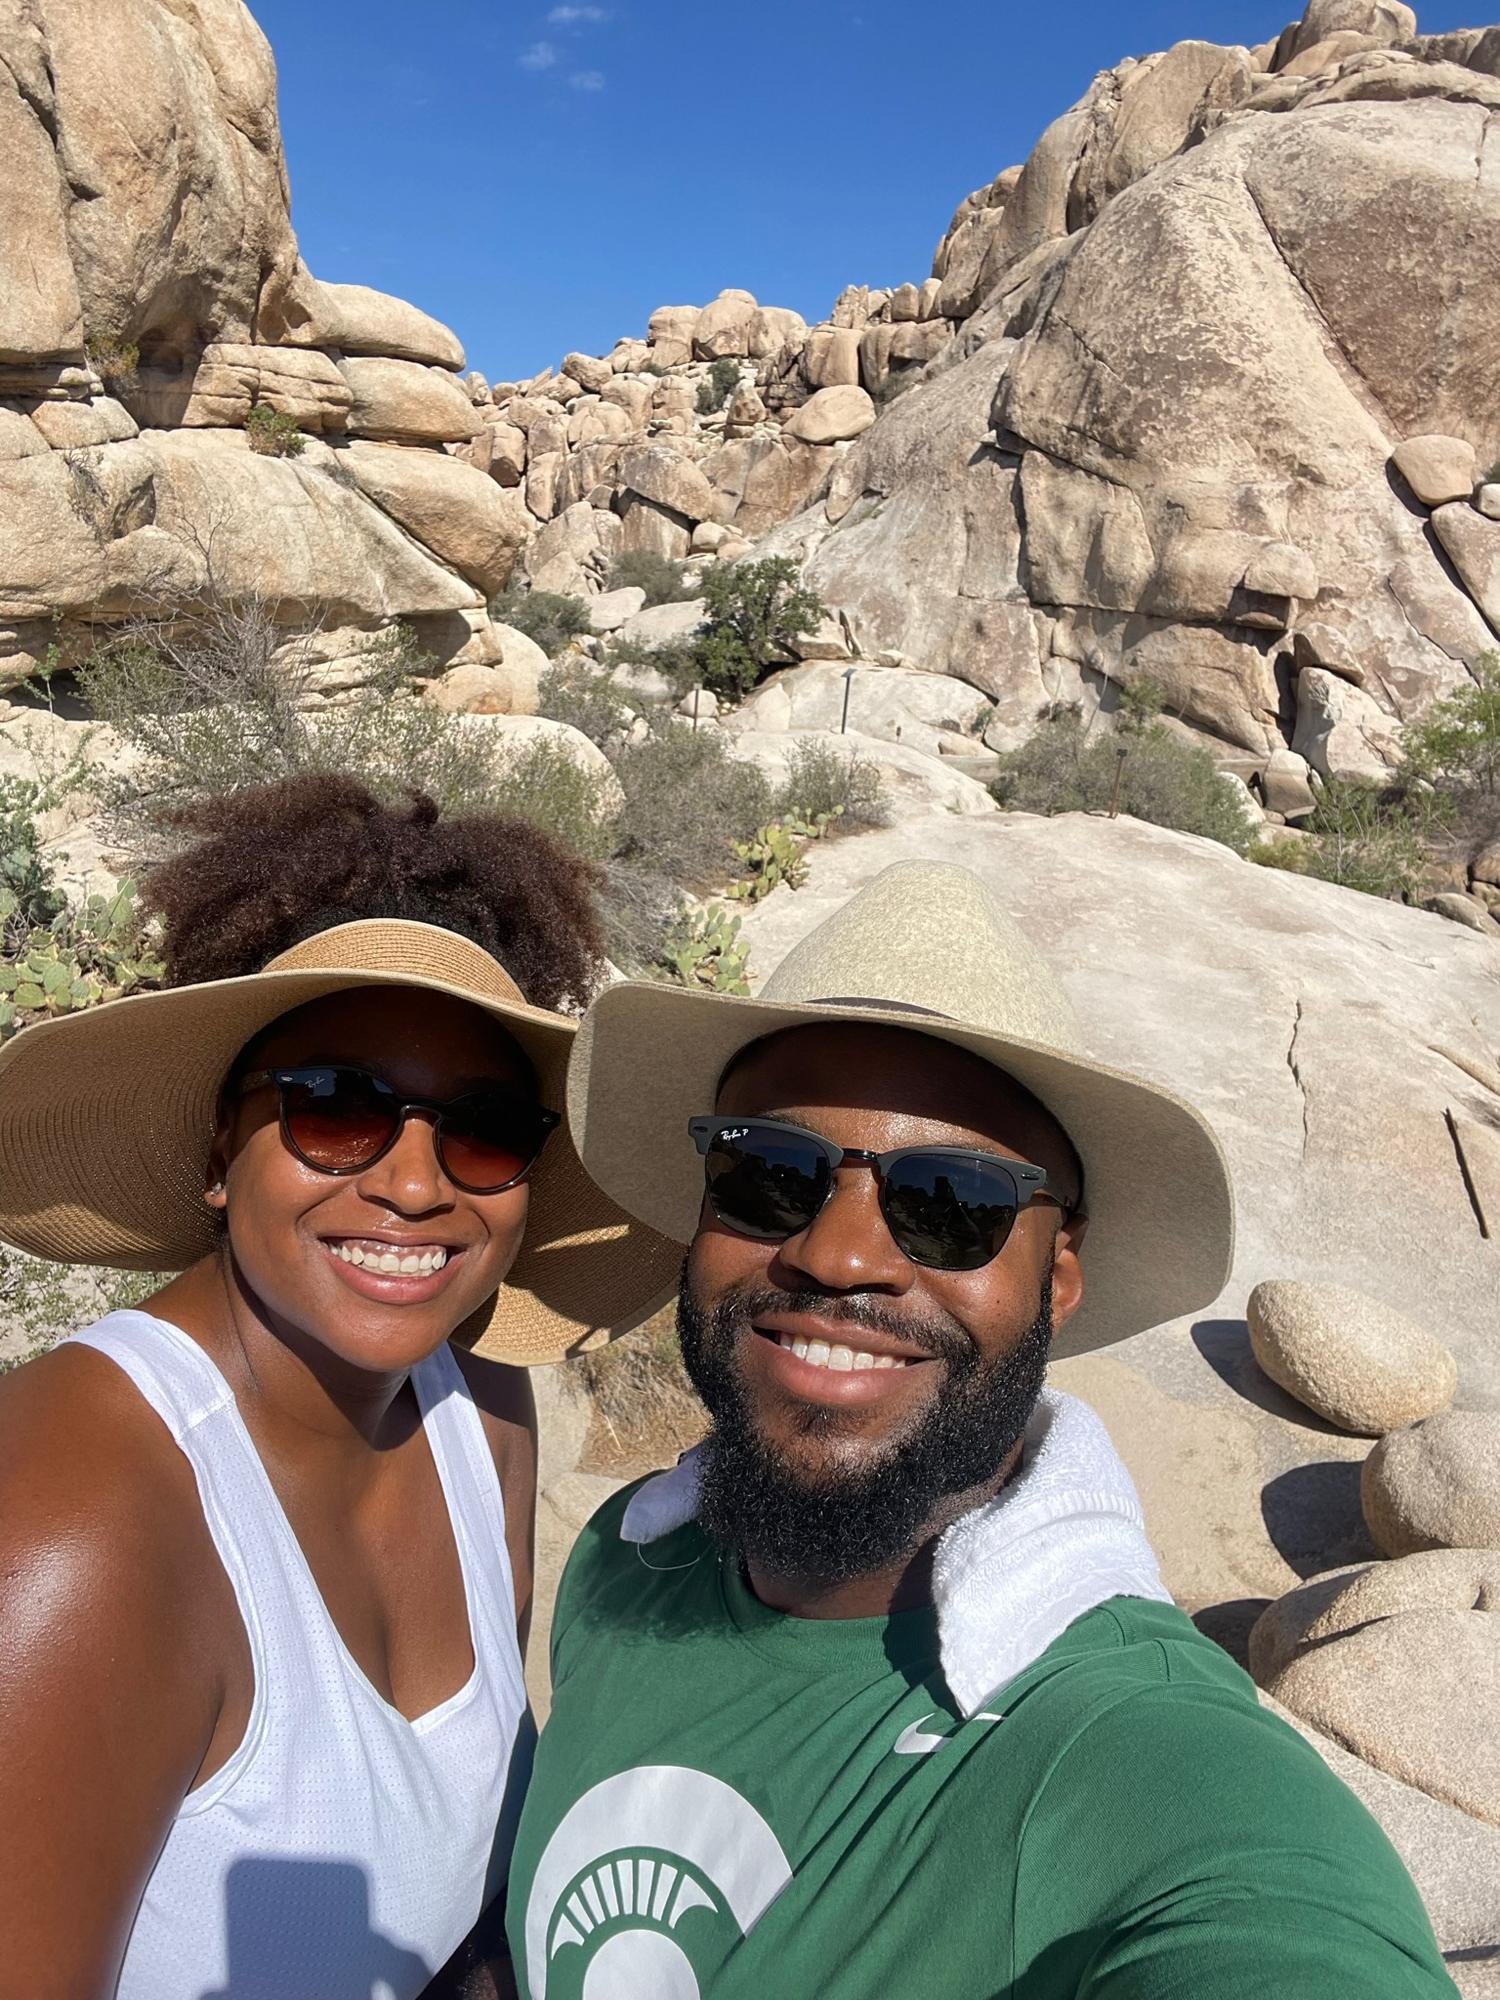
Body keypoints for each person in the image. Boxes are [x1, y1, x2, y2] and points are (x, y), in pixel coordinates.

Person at [507, 858, 1457, 1999]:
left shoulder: (1137, 1759)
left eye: (950, 1202)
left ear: (1057, 1275)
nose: (836, 1255)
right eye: (770, 1172)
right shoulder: (626, 1558)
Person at [0, 777, 676, 2000]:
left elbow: (464, 1906)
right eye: (336, 1106)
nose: (416, 1184)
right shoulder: (72, 1509)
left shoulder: (481, 1411)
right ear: (221, 1149)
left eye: (483, 1127)